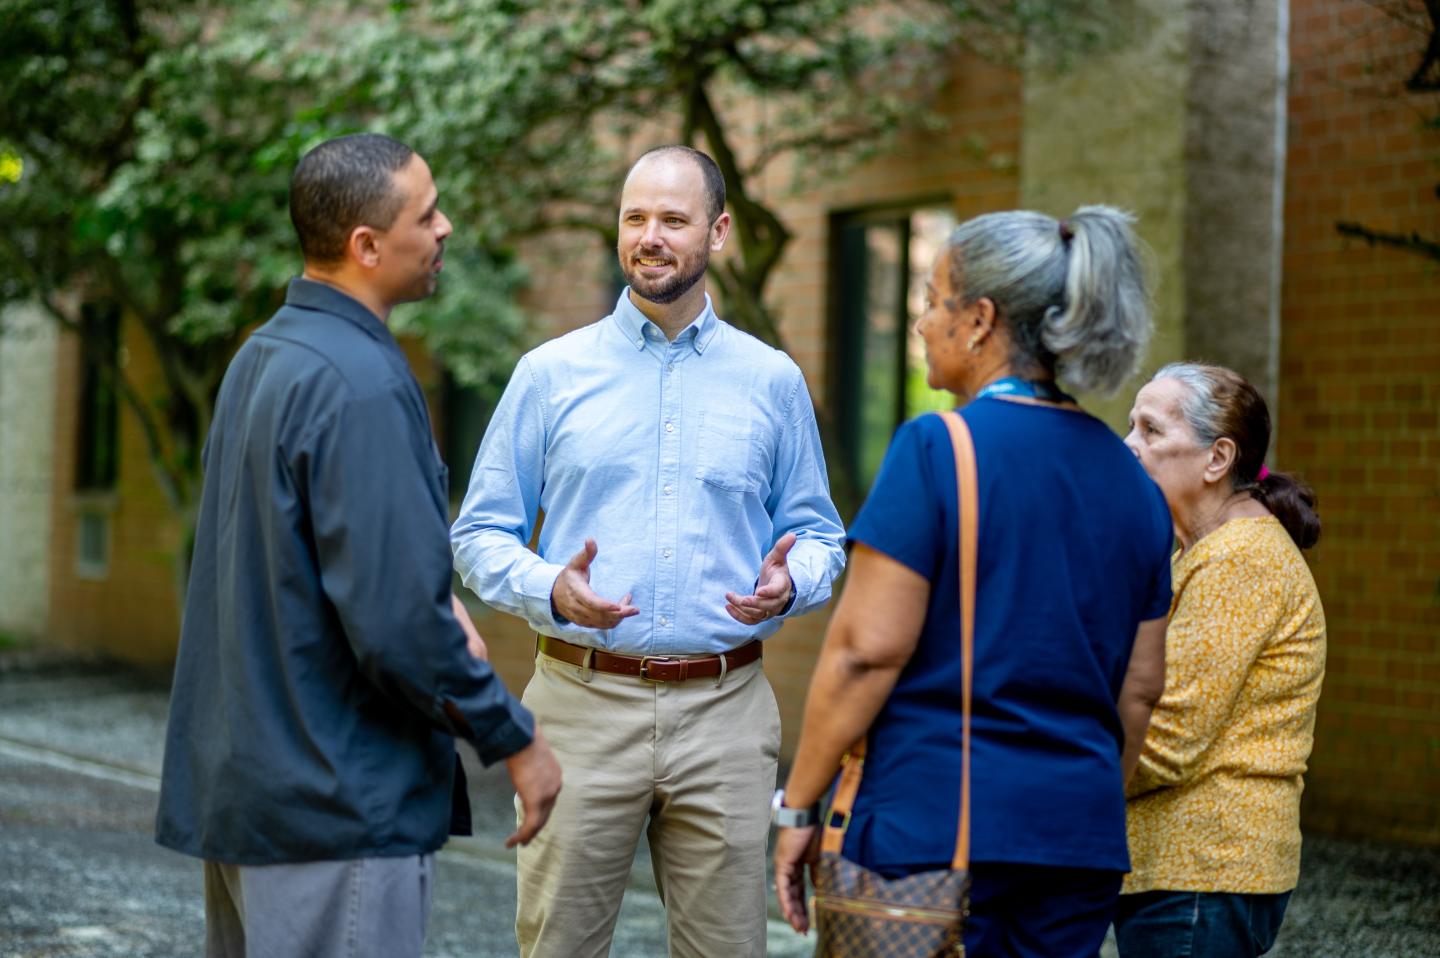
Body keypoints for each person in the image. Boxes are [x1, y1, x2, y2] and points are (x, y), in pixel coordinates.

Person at [155, 133, 562, 958]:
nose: (445, 227)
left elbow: (302, 562)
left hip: (250, 794)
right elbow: (398, 629)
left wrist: (423, 592)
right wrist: (513, 736)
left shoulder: (262, 357)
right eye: (427, 213)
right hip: (331, 810)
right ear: (365, 246)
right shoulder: (362, 384)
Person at [451, 144, 846, 958]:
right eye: (635, 218)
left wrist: (791, 584)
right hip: (580, 704)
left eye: (673, 218)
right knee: (558, 946)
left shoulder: (771, 381)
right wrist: (553, 589)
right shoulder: (549, 374)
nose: (650, 236)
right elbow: (478, 537)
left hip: (726, 714)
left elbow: (820, 535)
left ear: (719, 230)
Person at [773, 207, 1175, 957]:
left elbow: (864, 653)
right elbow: (1142, 691)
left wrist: (798, 808)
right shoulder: (1137, 486)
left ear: (981, 320)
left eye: (931, 300)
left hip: (935, 833)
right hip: (1079, 844)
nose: (921, 322)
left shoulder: (935, 446)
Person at [1114, 362, 1326, 957]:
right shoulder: (1203, 551)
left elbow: (1163, 738)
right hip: (1186, 873)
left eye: (1151, 431)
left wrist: (1051, 790)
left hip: (1203, 872)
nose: (1129, 446)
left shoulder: (1240, 560)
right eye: (1131, 426)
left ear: (1217, 459)